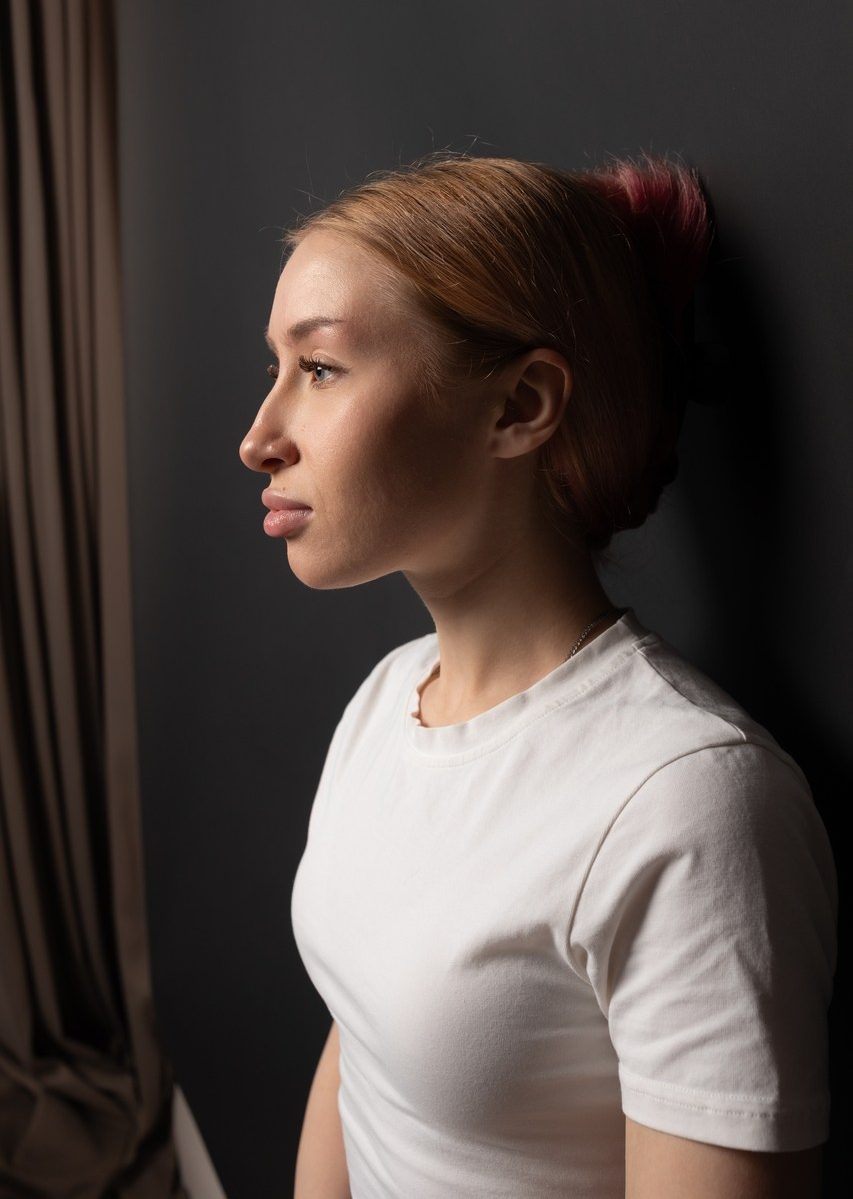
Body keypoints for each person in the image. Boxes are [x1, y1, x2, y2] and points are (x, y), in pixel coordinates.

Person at [239, 154, 837, 1199]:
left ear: (519, 405)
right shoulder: (387, 703)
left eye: (321, 369)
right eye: (276, 367)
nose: (258, 439)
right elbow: (362, 1051)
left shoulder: (685, 806)